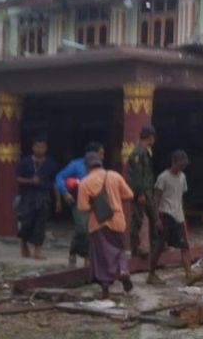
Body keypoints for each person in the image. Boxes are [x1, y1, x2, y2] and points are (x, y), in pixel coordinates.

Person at [76, 151, 135, 298]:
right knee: (119, 250)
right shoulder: (114, 175)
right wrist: (114, 198)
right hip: (118, 220)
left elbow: (82, 208)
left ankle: (105, 287)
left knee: (101, 257)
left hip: (98, 223)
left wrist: (95, 205)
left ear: (86, 166)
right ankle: (123, 271)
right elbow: (129, 195)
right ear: (100, 163)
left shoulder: (84, 183)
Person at [56, 141, 104, 268]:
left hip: (94, 202)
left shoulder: (100, 168)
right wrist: (64, 192)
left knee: (92, 230)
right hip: (78, 201)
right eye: (100, 154)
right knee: (81, 228)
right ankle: (73, 252)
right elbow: (59, 177)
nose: (102, 157)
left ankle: (88, 257)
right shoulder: (76, 165)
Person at [152, 149, 197, 284]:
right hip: (166, 214)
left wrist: (183, 216)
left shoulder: (183, 177)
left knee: (184, 246)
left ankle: (188, 274)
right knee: (160, 246)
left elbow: (181, 197)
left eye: (184, 165)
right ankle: (151, 274)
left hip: (178, 215)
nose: (182, 167)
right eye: (180, 164)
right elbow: (156, 198)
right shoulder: (163, 177)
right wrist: (157, 218)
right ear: (173, 162)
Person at [15, 135, 57, 260]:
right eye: (37, 147)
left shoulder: (50, 163)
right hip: (28, 195)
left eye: (42, 147)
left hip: (44, 196)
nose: (40, 149)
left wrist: (58, 200)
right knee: (27, 222)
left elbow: (54, 182)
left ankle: (37, 250)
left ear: (46, 148)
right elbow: (17, 178)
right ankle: (23, 243)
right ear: (33, 147)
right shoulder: (25, 162)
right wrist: (30, 181)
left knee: (41, 223)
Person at [125, 125, 159, 269]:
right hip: (141, 193)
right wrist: (140, 194)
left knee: (154, 219)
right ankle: (134, 250)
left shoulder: (146, 152)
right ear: (150, 137)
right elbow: (137, 176)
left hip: (147, 192)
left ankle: (155, 247)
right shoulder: (138, 153)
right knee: (137, 221)